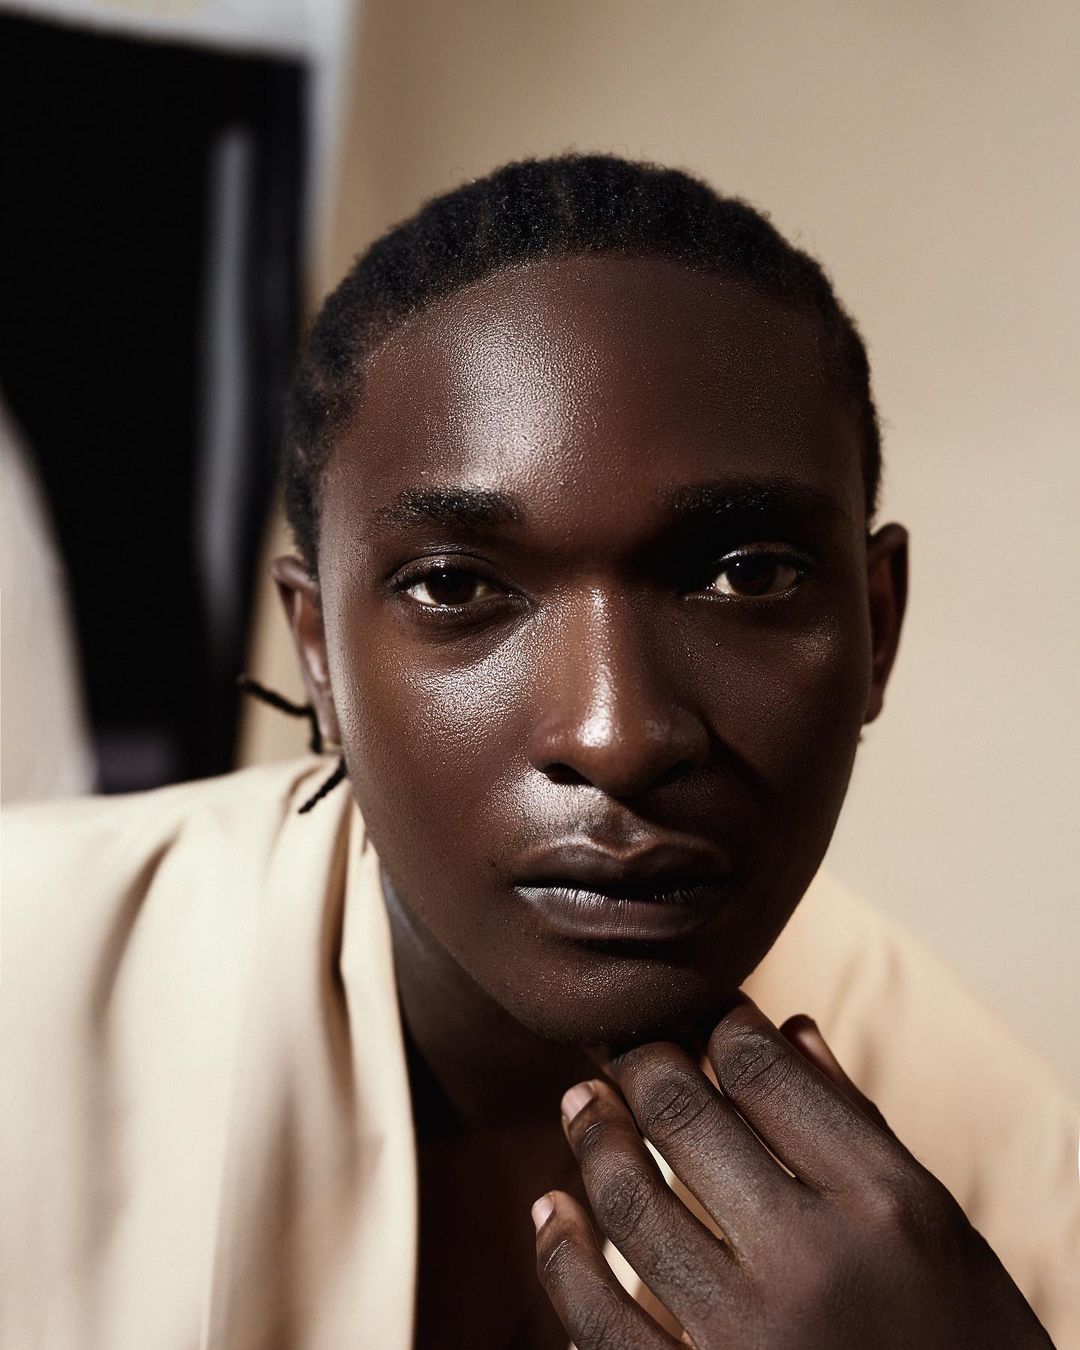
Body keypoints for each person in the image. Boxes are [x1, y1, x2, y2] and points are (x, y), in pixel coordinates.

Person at [2, 155, 1076, 1349]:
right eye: (456, 587)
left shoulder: (1004, 1174)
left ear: (877, 624)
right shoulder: (25, 974)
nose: (618, 735)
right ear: (318, 653)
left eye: (745, 575)